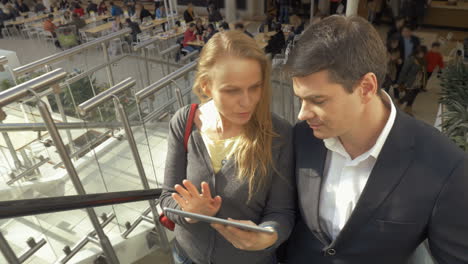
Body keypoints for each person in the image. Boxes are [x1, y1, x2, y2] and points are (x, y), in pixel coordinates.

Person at [284, 15, 468, 263]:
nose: (302, 113)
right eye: (300, 98)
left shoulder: (445, 167)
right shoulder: (302, 136)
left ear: (366, 88)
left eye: (318, 101)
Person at [160, 30, 295, 264]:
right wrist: (190, 214)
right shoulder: (185, 123)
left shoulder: (279, 134)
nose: (247, 101)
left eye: (255, 87)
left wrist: (267, 236)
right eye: (232, 90)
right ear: (207, 86)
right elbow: (167, 198)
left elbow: (282, 212)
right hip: (187, 255)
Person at [396, 46, 427, 114]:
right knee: (409, 95)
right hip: (410, 81)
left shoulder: (423, 60)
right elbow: (404, 71)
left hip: (419, 81)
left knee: (414, 95)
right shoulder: (411, 59)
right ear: (416, 52)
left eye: (423, 53)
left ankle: (408, 109)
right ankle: (399, 103)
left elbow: (424, 71)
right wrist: (399, 82)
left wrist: (424, 82)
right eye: (420, 53)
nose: (421, 54)